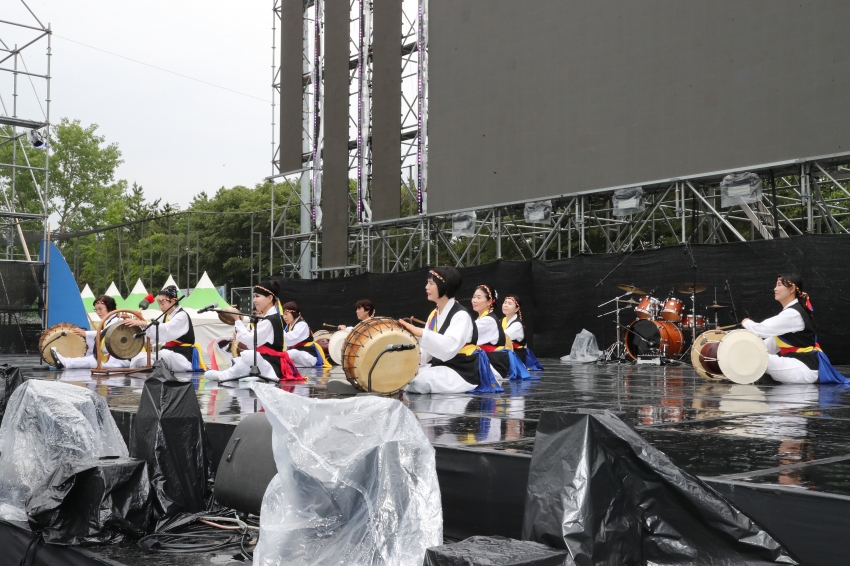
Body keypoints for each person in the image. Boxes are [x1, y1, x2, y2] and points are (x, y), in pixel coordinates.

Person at [398, 266, 502, 394]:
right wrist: (409, 365)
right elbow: (426, 351)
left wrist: (421, 333)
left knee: (420, 382)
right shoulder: (433, 315)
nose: (426, 287)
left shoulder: (461, 315)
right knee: (402, 376)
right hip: (441, 366)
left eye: (431, 283)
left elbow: (449, 348)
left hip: (461, 370)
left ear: (444, 286)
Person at [742, 274, 848, 384]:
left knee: (757, 357)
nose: (775, 288)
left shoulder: (793, 314)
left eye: (779, 285)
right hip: (799, 366)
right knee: (756, 353)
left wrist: (747, 323)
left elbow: (762, 329)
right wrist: (749, 349)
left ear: (791, 289)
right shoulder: (792, 312)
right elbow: (769, 344)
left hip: (803, 368)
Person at [205, 280, 302, 382]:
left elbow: (250, 341)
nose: (254, 300)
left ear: (269, 298)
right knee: (241, 359)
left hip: (271, 365)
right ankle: (234, 375)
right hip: (267, 362)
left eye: (257, 296)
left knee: (250, 355)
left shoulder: (269, 320)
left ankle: (225, 376)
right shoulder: (270, 318)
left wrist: (237, 320)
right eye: (254, 296)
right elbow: (254, 342)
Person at [124, 285, 206, 372]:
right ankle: (154, 368)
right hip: (168, 353)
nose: (160, 307)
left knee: (165, 354)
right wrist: (140, 321)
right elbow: (152, 331)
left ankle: (156, 367)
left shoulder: (182, 315)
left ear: (173, 301)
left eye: (162, 304)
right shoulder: (165, 316)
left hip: (183, 355)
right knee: (138, 357)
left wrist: (143, 323)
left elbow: (166, 330)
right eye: (159, 304)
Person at [51, 295, 130, 370]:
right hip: (110, 356)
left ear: (110, 307)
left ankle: (65, 362)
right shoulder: (108, 321)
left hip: (118, 358)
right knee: (90, 359)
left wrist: (86, 334)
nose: (98, 312)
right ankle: (65, 361)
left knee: (91, 361)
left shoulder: (118, 321)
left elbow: (109, 332)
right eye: (96, 309)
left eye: (100, 309)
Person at [471, 285, 531, 381]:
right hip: (492, 358)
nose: (474, 300)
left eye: (478, 297)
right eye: (474, 297)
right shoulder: (496, 320)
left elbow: (504, 337)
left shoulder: (516, 325)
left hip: (500, 360)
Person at [282, 301, 331, 368]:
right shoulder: (288, 326)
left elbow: (289, 339)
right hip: (300, 358)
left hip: (309, 357)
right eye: (283, 314)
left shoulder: (302, 325)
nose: (284, 317)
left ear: (294, 314)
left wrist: (276, 331)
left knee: (292, 353)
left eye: (286, 314)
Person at [501, 294, 544, 370]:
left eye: (510, 304)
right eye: (505, 302)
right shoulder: (501, 321)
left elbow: (501, 337)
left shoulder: (517, 325)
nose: (506, 305)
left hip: (516, 355)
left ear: (516, 309)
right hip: (505, 353)